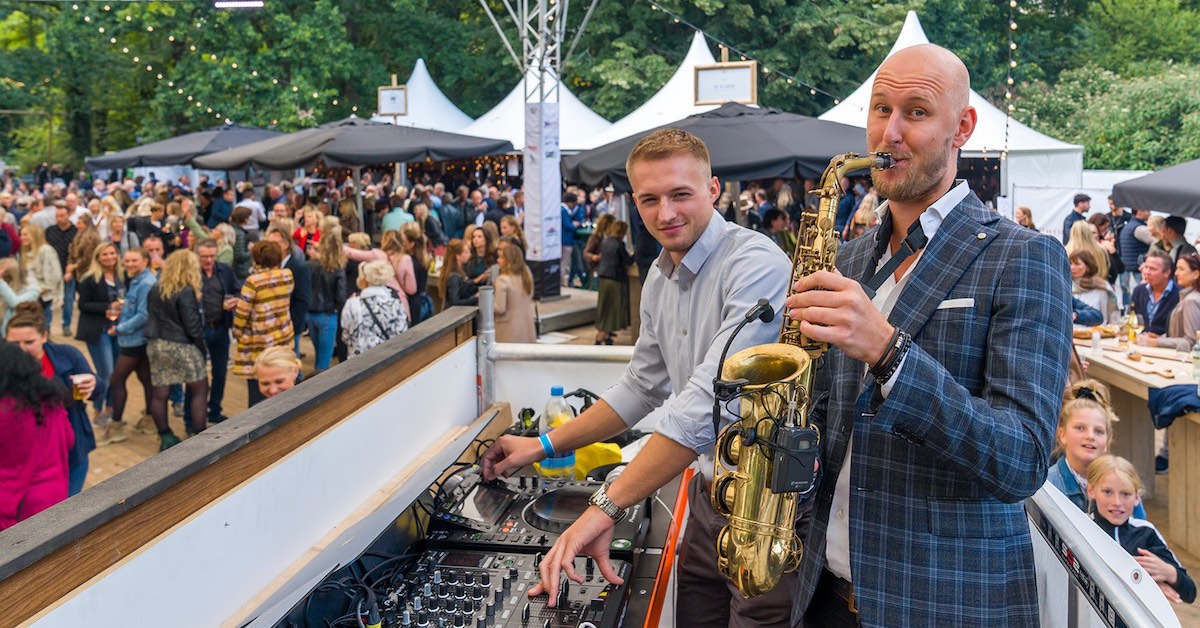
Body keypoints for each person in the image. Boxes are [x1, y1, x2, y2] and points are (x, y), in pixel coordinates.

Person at [783, 44, 1071, 625]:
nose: (888, 133)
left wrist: (890, 354)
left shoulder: (1026, 256)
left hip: (946, 603)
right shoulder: (848, 256)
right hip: (823, 595)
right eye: (879, 108)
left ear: (962, 127)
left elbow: (1021, 460)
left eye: (915, 112)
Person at [481, 128, 792, 625]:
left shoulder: (756, 264)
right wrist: (542, 444)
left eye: (680, 195)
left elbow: (707, 407)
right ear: (633, 202)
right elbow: (642, 387)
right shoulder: (659, 276)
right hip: (709, 497)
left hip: (768, 513)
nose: (665, 213)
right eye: (650, 199)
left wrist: (604, 505)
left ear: (713, 190)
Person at [6, 302, 96, 496]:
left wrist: (94, 383)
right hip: (22, 461)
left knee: (65, 512)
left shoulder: (67, 355)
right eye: (14, 344)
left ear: (44, 336)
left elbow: (99, 390)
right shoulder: (5, 367)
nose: (21, 349)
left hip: (71, 453)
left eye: (29, 342)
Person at [1086, 455, 1196, 604]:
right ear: (1091, 491)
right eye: (1107, 492)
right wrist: (1143, 583)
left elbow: (1190, 593)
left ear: (1137, 497)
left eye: (1126, 494)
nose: (1117, 502)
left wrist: (1169, 573)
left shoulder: (1146, 532)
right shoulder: (1083, 528)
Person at [0, 342, 74, 530]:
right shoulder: (51, 402)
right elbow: (69, 439)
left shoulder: (6, 412)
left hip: (16, 508)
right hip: (53, 496)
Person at [1046, 380, 1145, 518]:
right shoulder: (1049, 486)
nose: (1090, 436)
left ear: (1107, 441)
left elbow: (1141, 529)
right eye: (1080, 428)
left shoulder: (1124, 481)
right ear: (1062, 434)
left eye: (1098, 431)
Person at [145, 250, 209, 450]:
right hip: (182, 345)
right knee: (199, 389)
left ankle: (166, 437)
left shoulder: (156, 288)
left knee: (160, 393)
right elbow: (193, 326)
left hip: (157, 345)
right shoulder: (187, 291)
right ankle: (199, 435)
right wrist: (202, 349)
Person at [101, 248, 157, 446]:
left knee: (117, 380)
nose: (129, 264)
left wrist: (120, 329)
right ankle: (150, 421)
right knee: (146, 379)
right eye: (127, 261)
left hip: (134, 340)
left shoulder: (146, 283)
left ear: (145, 260)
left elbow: (143, 315)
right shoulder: (137, 280)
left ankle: (116, 427)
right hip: (136, 339)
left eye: (134, 260)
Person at [233, 240, 295, 407]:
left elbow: (241, 314)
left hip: (259, 341)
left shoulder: (254, 281)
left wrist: (237, 332)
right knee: (285, 384)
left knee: (260, 390)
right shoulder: (287, 274)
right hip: (283, 336)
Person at [186, 239, 239, 426]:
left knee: (220, 372)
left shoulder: (224, 270)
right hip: (197, 332)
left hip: (221, 328)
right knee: (196, 376)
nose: (208, 260)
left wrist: (234, 302)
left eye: (211, 256)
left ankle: (214, 411)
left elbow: (236, 290)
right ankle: (191, 419)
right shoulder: (190, 274)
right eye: (204, 257)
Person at [74, 243, 123, 423]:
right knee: (106, 372)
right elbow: (83, 305)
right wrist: (107, 307)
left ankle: (110, 408)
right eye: (105, 254)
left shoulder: (121, 275)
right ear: (97, 257)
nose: (109, 257)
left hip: (118, 330)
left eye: (112, 253)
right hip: (98, 331)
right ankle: (96, 409)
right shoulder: (90, 278)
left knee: (117, 373)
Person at [340, 260, 407, 357]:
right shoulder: (395, 304)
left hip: (359, 360)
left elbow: (346, 335)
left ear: (365, 279)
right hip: (387, 358)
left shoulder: (352, 304)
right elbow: (401, 334)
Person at [305, 221, 347, 372]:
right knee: (324, 359)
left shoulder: (309, 266)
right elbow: (341, 296)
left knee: (319, 353)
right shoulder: (337, 269)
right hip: (328, 315)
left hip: (310, 314)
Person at [266, 226, 310, 357]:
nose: (270, 248)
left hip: (290, 326)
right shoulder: (271, 266)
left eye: (274, 244)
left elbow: (304, 300)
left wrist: (293, 326)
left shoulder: (297, 267)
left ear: (285, 244)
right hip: (273, 327)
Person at [1144, 253, 1200, 351]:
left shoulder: (1191, 300)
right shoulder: (1187, 296)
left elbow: (1191, 342)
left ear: (1195, 274)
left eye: (1181, 269)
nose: (1176, 273)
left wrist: (1156, 342)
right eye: (1177, 269)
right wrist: (1161, 338)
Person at [594, 221, 632, 345]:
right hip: (615, 280)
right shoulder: (619, 244)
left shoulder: (605, 242)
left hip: (603, 278)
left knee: (604, 308)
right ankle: (601, 336)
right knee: (612, 310)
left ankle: (604, 335)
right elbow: (627, 261)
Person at [20, 224, 63, 329]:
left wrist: (39, 291)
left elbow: (54, 276)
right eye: (21, 234)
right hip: (29, 297)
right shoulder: (27, 252)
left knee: (41, 328)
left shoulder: (45, 250)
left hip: (41, 298)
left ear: (35, 235)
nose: (21, 237)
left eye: (25, 234)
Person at [493, 239, 536, 343]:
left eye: (501, 258)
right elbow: (531, 295)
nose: (498, 260)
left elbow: (499, 308)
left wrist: (484, 301)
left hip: (508, 328)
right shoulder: (527, 273)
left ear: (508, 261)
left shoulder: (502, 280)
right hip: (527, 324)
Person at [44, 205, 77, 335]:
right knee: (48, 298)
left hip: (68, 269)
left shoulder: (75, 230)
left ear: (68, 215)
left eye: (62, 215)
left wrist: (72, 268)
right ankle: (46, 326)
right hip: (52, 271)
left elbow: (77, 252)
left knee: (68, 299)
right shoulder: (50, 230)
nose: (59, 218)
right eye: (57, 216)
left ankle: (66, 325)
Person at [1131, 251, 1178, 336]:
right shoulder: (1139, 291)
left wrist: (1160, 340)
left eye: (1152, 269)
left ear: (1166, 273)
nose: (1147, 272)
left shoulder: (1179, 295)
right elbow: (1132, 319)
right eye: (1146, 267)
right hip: (1140, 343)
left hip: (1166, 346)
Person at [399, 221, 432, 325]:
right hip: (423, 300)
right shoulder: (423, 259)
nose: (400, 244)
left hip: (413, 304)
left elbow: (410, 289)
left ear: (411, 243)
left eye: (403, 241)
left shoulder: (409, 261)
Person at [1069, 249, 1116, 318]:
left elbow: (1106, 315)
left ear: (1088, 267)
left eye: (1077, 264)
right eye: (1070, 263)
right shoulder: (1066, 285)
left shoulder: (1101, 286)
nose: (1072, 267)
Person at [438, 238, 479, 308]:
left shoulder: (460, 271)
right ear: (458, 256)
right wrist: (476, 298)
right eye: (466, 252)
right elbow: (455, 302)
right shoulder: (454, 277)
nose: (470, 254)